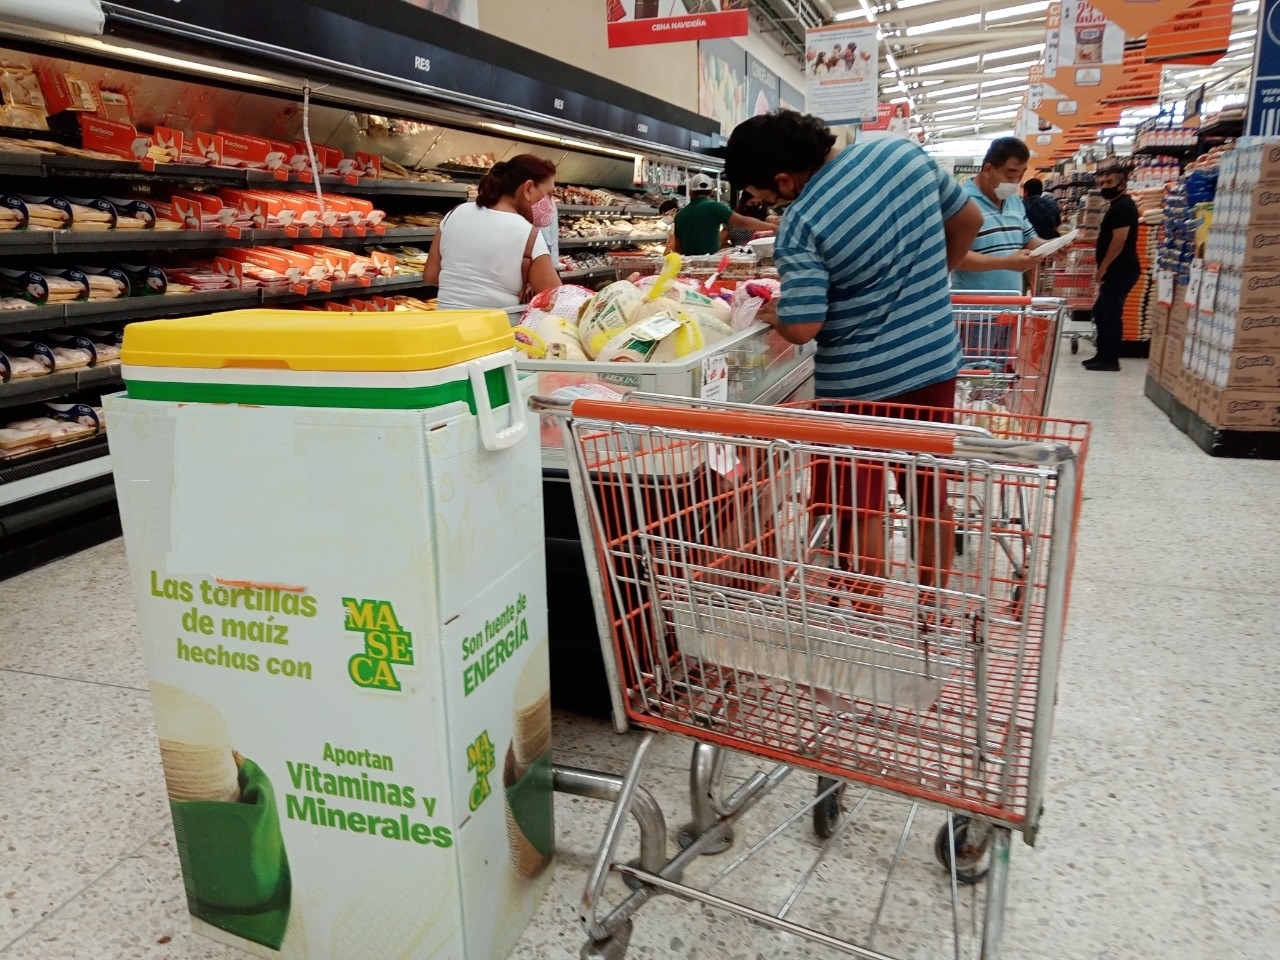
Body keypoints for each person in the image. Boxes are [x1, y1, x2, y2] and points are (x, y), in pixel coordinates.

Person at [723, 110, 983, 597]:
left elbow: (803, 326)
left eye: (762, 195)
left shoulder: (802, 221)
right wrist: (925, 286)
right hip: (932, 360)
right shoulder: (901, 153)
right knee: (928, 495)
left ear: (784, 178)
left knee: (859, 504)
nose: (764, 204)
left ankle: (865, 618)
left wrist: (771, 311)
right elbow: (969, 220)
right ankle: (932, 611)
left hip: (857, 385)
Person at [423, 154, 560, 309]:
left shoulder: (454, 213)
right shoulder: (529, 235)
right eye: (548, 194)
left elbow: (431, 276)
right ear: (528, 188)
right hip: (493, 330)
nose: (550, 204)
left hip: (445, 326)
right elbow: (556, 301)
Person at [950, 137, 1045, 292]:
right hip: (975, 311)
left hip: (1010, 307)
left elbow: (1028, 238)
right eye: (1010, 174)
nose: (1016, 182)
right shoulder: (962, 202)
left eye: (1021, 175)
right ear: (988, 169)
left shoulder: (1015, 200)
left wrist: (1052, 246)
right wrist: (1005, 262)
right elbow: (956, 257)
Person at [1083, 166, 1140, 372]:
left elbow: (1119, 240)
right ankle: (1102, 354)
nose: (1104, 186)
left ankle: (1111, 360)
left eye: (1109, 182)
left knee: (1111, 314)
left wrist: (1104, 267)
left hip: (1121, 269)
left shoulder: (1124, 206)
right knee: (1101, 312)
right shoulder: (1115, 205)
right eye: (1103, 182)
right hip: (1116, 270)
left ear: (1122, 185)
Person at [669, 173, 774, 256]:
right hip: (709, 265)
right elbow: (743, 221)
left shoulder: (680, 215)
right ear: (711, 192)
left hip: (688, 265)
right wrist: (773, 227)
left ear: (690, 192)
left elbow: (677, 248)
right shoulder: (714, 207)